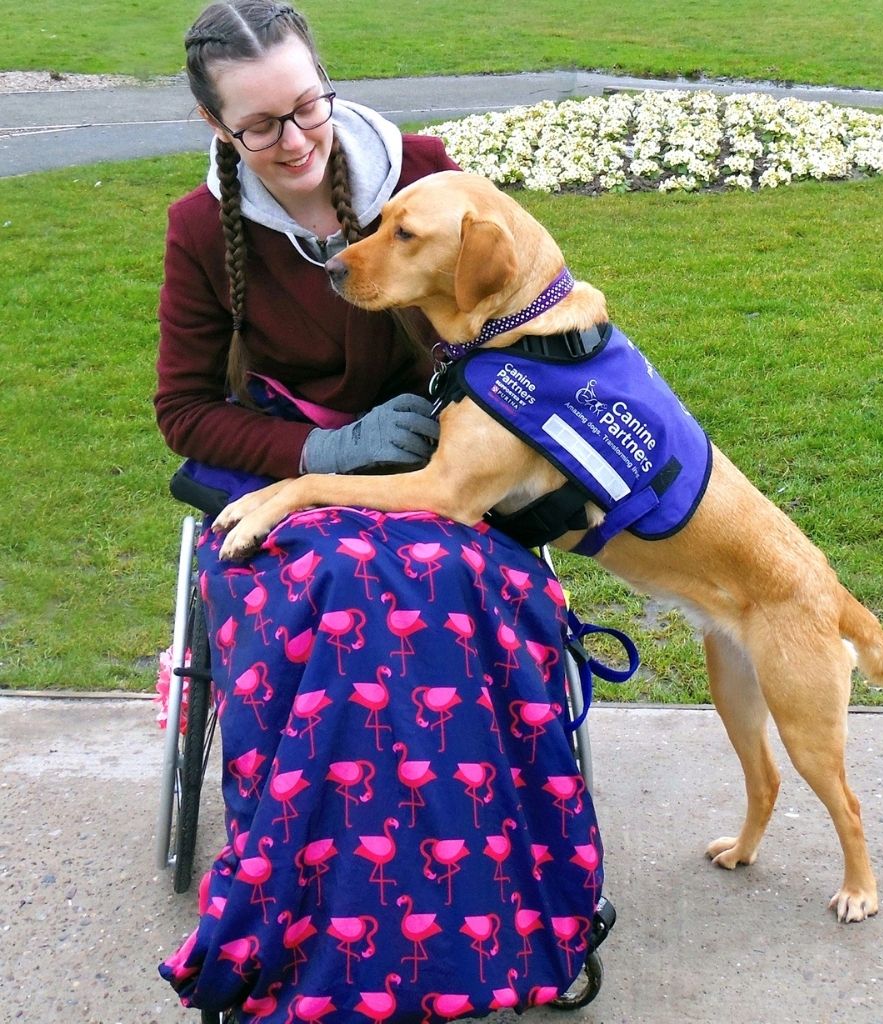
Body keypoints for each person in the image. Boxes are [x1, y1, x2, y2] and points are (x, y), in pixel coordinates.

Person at [155, 4, 606, 1021]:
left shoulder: (420, 170)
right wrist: (320, 450)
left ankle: (511, 909)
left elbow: (517, 313)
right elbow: (183, 410)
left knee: (453, 587)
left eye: (305, 104)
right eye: (260, 125)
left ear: (326, 81)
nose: (297, 139)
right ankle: (323, 919)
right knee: (347, 589)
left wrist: (475, 418)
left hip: (449, 466)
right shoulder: (198, 230)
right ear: (214, 123)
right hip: (301, 474)